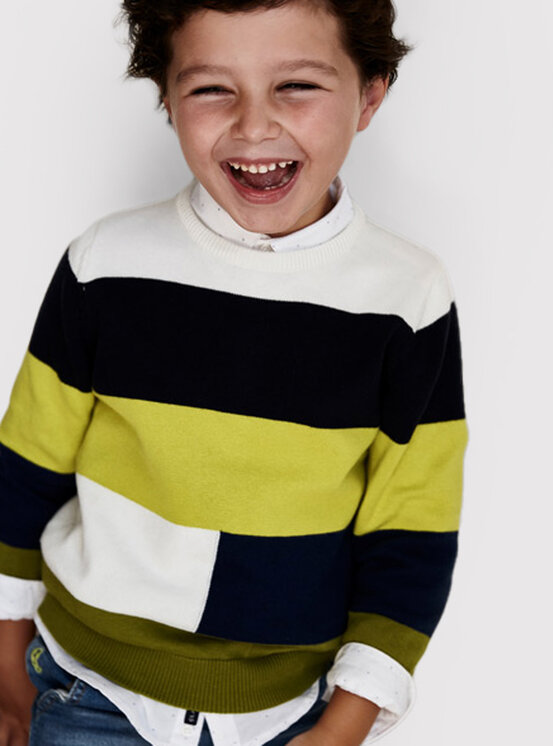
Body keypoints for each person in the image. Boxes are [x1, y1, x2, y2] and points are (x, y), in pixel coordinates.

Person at [0, 1, 467, 744]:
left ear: (370, 94)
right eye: (212, 89)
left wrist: (344, 724)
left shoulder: (409, 298)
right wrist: (7, 669)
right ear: (166, 96)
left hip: (288, 713)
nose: (254, 126)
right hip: (87, 690)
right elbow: (25, 474)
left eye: (297, 86)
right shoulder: (104, 266)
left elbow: (411, 530)